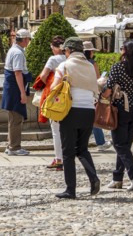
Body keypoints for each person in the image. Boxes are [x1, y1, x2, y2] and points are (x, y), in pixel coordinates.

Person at [52, 37, 100, 199]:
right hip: (89, 111)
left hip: (71, 111)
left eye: (65, 51)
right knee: (82, 149)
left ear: (69, 51)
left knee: (67, 151)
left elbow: (54, 87)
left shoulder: (64, 65)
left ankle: (70, 189)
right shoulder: (90, 66)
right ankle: (93, 178)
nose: (64, 53)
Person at [105, 39, 133, 191]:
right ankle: (117, 178)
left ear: (126, 51)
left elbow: (109, 87)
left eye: (122, 47)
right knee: (126, 144)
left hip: (121, 107)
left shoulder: (118, 67)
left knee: (119, 143)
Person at [36, 35, 67, 170]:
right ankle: (67, 157)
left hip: (56, 96)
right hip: (68, 96)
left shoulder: (53, 59)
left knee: (56, 129)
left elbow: (43, 76)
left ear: (54, 48)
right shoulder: (69, 58)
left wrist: (46, 84)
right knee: (67, 130)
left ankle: (58, 158)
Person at [1, 29, 33, 156]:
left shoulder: (13, 50)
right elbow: (18, 73)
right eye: (28, 39)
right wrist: (22, 93)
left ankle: (10, 145)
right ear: (24, 39)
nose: (29, 42)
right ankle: (14, 147)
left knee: (13, 118)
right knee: (16, 119)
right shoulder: (18, 53)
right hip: (15, 89)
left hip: (11, 88)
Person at [84, 41, 111, 152]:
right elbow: (98, 79)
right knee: (95, 118)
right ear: (90, 52)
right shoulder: (92, 63)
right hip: (92, 93)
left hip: (80, 93)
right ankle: (100, 142)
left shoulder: (78, 62)